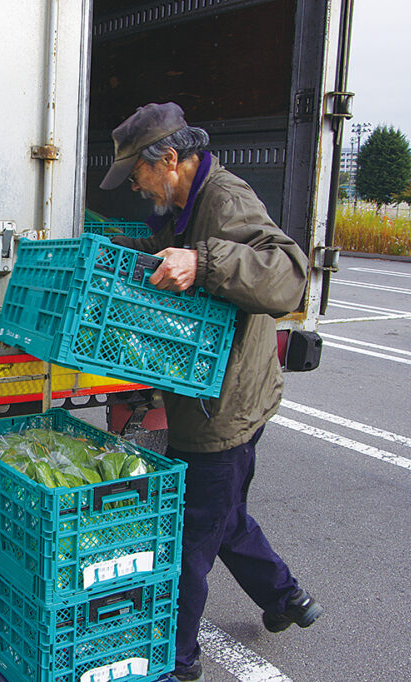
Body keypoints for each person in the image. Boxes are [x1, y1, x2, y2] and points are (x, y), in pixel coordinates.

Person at [99, 102, 322, 682]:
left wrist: (203, 261)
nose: (136, 186)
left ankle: (177, 663)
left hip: (224, 405)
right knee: (222, 515)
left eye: (139, 174)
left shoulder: (225, 198)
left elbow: (289, 273)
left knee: (190, 537)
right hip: (211, 393)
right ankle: (286, 598)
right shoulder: (183, 204)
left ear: (169, 160)